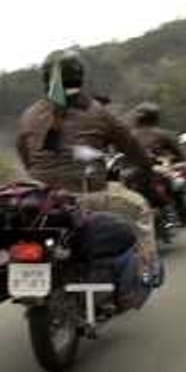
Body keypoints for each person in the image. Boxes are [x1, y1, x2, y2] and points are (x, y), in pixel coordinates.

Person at [16, 50, 162, 284]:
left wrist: (42, 175)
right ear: (79, 76)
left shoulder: (29, 114)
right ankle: (148, 268)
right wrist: (147, 168)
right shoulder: (97, 111)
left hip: (40, 200)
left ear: (46, 79)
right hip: (85, 195)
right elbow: (131, 146)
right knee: (141, 209)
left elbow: (24, 154)